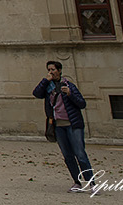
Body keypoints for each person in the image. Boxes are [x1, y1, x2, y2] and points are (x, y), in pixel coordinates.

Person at [33, 60, 94, 192]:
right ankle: (77, 182)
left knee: (80, 154)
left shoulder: (69, 85)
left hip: (73, 125)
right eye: (49, 70)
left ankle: (92, 183)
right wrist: (45, 80)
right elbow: (36, 93)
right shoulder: (48, 88)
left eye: (53, 69)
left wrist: (70, 94)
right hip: (58, 126)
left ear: (59, 71)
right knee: (67, 155)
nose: (51, 72)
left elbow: (82, 104)